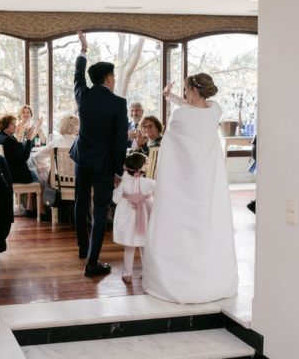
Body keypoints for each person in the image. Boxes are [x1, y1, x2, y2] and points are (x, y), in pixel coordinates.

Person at [142, 74, 238, 304]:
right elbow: (194, 109)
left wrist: (171, 100)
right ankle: (211, 277)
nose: (184, 95)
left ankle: (176, 279)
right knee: (205, 224)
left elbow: (172, 141)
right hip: (207, 181)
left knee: (180, 226)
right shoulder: (215, 111)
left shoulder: (181, 115)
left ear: (194, 91)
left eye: (186, 90)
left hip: (184, 183)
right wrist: (170, 96)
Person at [70, 31, 128, 277]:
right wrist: (117, 170)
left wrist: (83, 51)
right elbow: (119, 141)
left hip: (82, 157)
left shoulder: (83, 95)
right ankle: (92, 262)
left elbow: (77, 76)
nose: (115, 79)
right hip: (103, 163)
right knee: (100, 208)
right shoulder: (118, 103)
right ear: (108, 77)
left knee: (80, 202)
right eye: (113, 75)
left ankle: (83, 248)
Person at [112, 152, 155, 284]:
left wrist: (117, 188)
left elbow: (115, 199)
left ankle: (128, 274)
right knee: (144, 246)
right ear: (140, 168)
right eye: (146, 163)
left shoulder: (123, 183)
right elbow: (161, 189)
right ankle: (146, 272)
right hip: (145, 218)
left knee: (130, 248)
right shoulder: (149, 182)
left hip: (128, 219)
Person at [0, 113, 40, 218]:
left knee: (34, 170)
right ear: (6, 126)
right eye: (13, 124)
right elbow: (24, 157)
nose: (16, 126)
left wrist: (24, 139)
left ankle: (31, 208)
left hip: (7, 173)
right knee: (39, 174)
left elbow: (18, 149)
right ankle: (39, 209)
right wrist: (28, 139)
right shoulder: (7, 140)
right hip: (15, 175)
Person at [31, 114, 79, 183]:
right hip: (80, 183)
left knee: (49, 170)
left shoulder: (56, 142)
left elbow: (37, 157)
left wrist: (50, 167)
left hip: (59, 182)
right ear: (76, 128)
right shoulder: (82, 144)